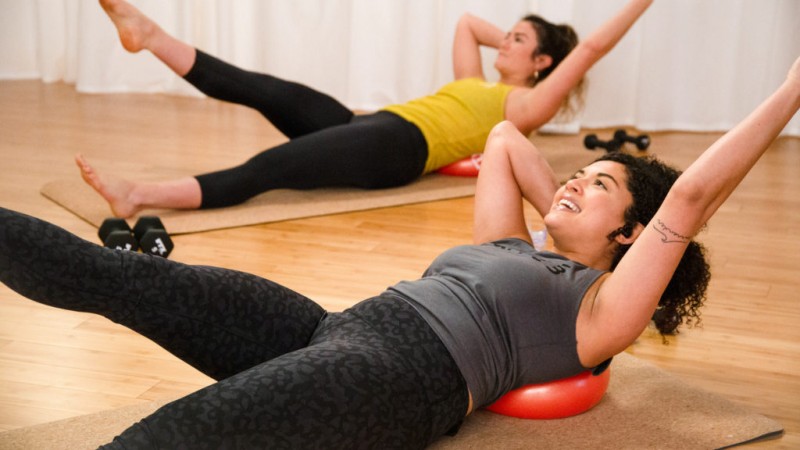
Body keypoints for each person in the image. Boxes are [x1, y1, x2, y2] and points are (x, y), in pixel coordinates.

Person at [3, 56, 798, 448]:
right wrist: (569, 201)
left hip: (399, 378)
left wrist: (791, 86)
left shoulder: (599, 313)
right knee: (121, 276)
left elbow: (688, 200)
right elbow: (503, 136)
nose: (571, 184)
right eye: (578, 174)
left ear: (632, 235)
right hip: (335, 324)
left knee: (175, 436)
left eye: (598, 188)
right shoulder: (508, 245)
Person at [76, 0, 653, 218]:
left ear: (544, 63)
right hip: (367, 125)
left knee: (270, 168)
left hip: (396, 149)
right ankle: (148, 35)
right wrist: (521, 39)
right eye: (509, 34)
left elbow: (594, 47)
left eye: (520, 42)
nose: (503, 41)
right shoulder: (474, 80)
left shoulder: (528, 104)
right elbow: (466, 22)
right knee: (263, 88)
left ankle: (139, 196)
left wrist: (546, 55)